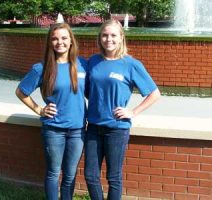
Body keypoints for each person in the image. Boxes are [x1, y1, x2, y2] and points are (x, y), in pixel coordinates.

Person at [84, 19, 161, 200]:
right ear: (99, 38)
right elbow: (88, 91)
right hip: (93, 127)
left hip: (117, 129)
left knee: (114, 177)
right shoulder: (93, 61)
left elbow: (154, 93)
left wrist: (132, 112)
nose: (108, 39)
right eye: (104, 35)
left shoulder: (131, 64)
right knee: (90, 175)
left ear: (121, 38)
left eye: (113, 35)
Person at [15, 22, 87, 200]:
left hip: (78, 130)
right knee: (54, 173)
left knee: (70, 174)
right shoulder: (41, 68)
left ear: (71, 40)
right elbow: (21, 91)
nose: (59, 42)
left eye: (64, 38)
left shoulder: (83, 65)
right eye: (54, 39)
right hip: (54, 129)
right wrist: (39, 109)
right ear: (50, 42)